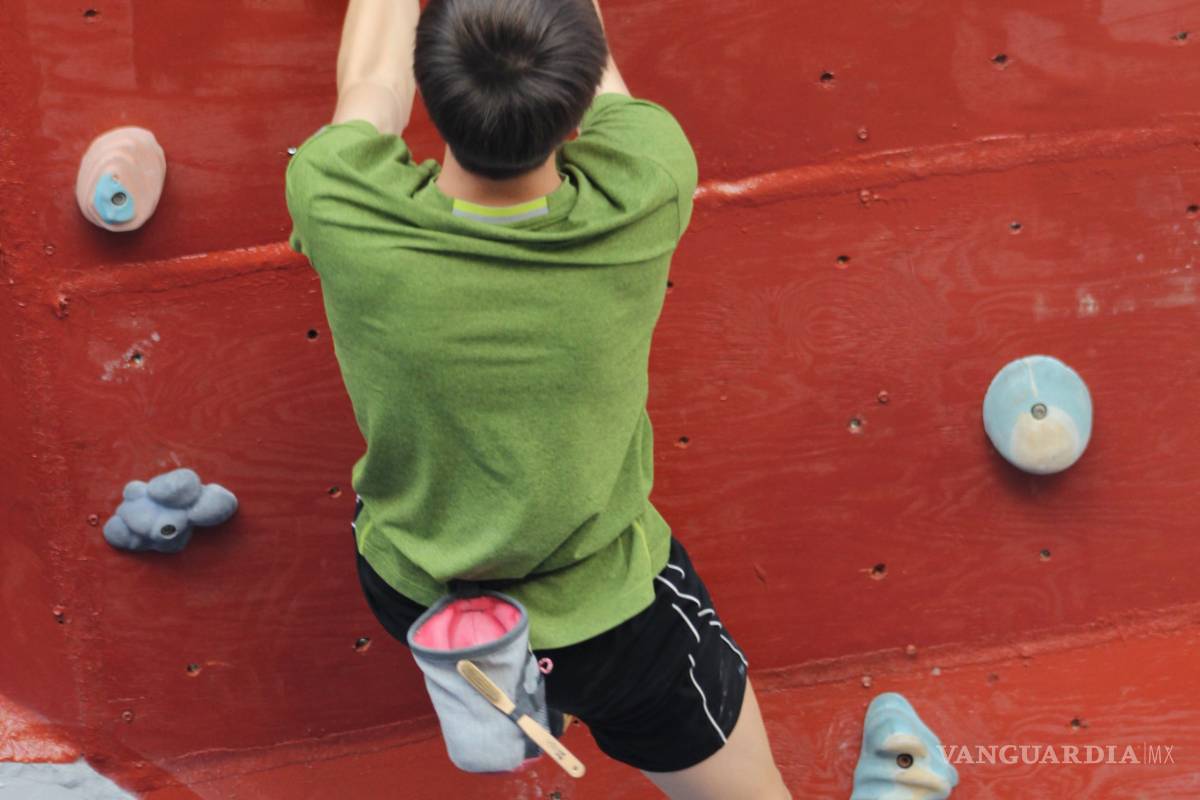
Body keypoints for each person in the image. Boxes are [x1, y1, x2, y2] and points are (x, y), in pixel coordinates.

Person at [284, 1, 791, 797]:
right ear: (577, 90)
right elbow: (608, 86)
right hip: (615, 621)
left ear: (434, 83)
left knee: (517, 686)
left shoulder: (341, 206)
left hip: (419, 592)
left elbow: (369, 86)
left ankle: (523, 704)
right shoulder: (645, 192)